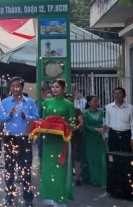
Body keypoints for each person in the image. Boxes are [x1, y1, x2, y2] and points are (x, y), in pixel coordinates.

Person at [0, 76, 38, 207]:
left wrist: (27, 117)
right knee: (9, 167)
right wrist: (9, 115)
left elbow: (37, 118)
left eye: (18, 86)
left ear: (22, 87)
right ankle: (10, 193)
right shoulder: (5, 102)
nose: (15, 88)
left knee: (25, 168)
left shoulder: (30, 102)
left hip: (25, 138)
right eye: (12, 86)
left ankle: (28, 197)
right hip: (10, 138)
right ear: (10, 88)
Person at [41, 78, 75, 207]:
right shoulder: (47, 102)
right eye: (53, 87)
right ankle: (48, 198)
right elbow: (43, 120)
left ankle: (60, 199)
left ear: (64, 89)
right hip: (49, 140)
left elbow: (72, 123)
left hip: (62, 141)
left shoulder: (68, 104)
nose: (54, 89)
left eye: (57, 87)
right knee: (48, 169)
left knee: (60, 169)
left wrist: (63, 125)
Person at [82, 95, 107, 186]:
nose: (97, 103)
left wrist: (104, 127)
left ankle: (102, 177)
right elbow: (85, 126)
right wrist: (96, 129)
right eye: (95, 101)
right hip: (89, 138)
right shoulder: (85, 112)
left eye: (98, 101)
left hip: (99, 138)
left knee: (101, 157)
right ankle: (93, 178)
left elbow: (103, 122)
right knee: (91, 157)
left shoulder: (100, 112)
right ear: (89, 103)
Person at [103, 87, 133, 152]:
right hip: (113, 135)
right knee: (113, 155)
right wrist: (106, 136)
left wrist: (132, 137)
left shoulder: (130, 108)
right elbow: (107, 122)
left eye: (119, 93)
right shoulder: (108, 107)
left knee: (126, 155)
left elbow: (132, 123)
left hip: (126, 135)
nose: (117, 95)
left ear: (124, 95)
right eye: (115, 94)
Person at [66, 94, 84, 186]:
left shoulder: (77, 111)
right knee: (65, 157)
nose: (70, 102)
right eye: (68, 100)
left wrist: (74, 129)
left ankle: (77, 178)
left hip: (76, 136)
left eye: (71, 100)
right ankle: (66, 177)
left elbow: (81, 122)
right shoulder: (63, 111)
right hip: (64, 136)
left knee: (76, 157)